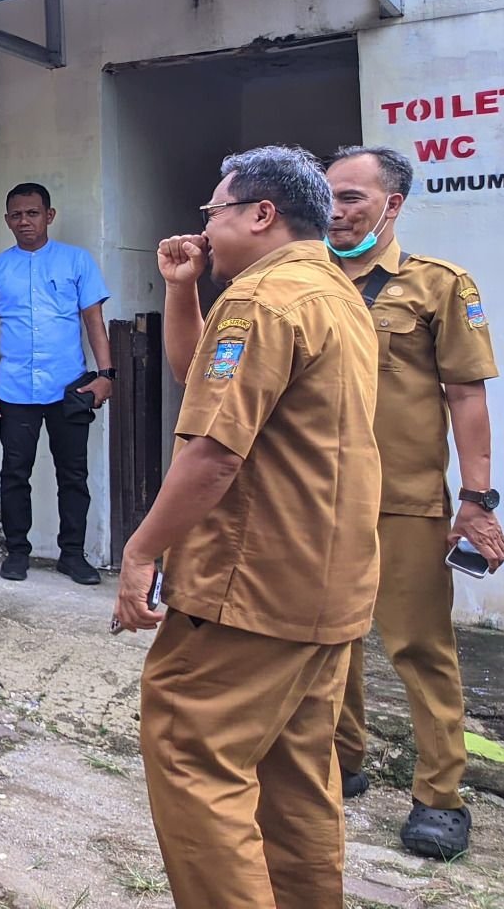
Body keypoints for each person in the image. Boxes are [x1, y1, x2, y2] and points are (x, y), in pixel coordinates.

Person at [114, 146, 380, 909]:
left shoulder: (263, 298)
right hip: (323, 590)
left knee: (192, 754)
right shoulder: (332, 292)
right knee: (294, 779)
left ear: (260, 214)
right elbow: (204, 382)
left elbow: (214, 453)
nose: (205, 227)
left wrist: (141, 551)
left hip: (252, 588)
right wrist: (180, 290)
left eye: (214, 212)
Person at [324, 145, 504, 859]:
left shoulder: (438, 286)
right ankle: (340, 760)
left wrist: (477, 498)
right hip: (319, 499)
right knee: (327, 636)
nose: (336, 211)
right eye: (328, 198)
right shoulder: (303, 281)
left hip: (404, 502)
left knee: (419, 647)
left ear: (392, 203)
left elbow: (466, 396)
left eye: (352, 198)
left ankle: (440, 794)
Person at [0, 182, 115, 585]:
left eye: (32, 213)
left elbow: (94, 322)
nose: (24, 221)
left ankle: (73, 555)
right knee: (15, 472)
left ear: (49, 216)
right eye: (16, 215)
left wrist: (106, 376)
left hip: (70, 388)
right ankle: (17, 551)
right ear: (7, 221)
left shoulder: (77, 262)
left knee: (73, 474)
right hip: (16, 391)